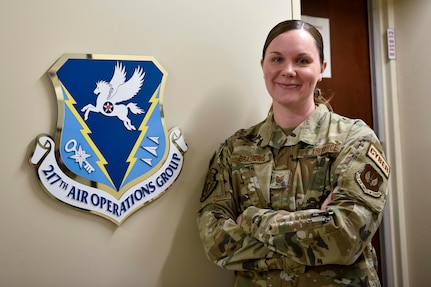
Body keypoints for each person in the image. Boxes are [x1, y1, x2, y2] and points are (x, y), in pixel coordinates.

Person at [197, 19, 390, 287]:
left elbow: (345, 238)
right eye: (277, 59)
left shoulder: (354, 140)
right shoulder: (235, 149)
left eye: (302, 61)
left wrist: (251, 219)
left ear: (321, 68)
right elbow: (216, 242)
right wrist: (316, 231)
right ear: (262, 66)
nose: (288, 71)